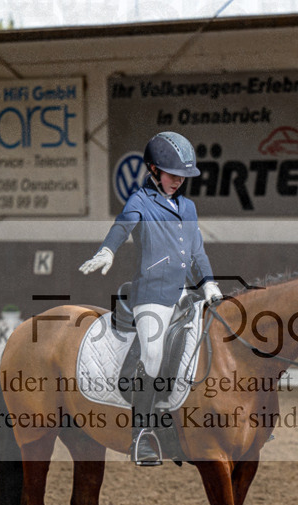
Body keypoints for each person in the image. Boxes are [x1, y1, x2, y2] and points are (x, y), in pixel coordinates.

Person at [79, 131, 222, 465]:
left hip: (186, 294)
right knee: (154, 356)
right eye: (172, 175)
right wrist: (107, 251)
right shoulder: (141, 201)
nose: (177, 182)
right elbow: (123, 225)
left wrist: (210, 283)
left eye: (182, 177)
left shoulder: (188, 207)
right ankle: (142, 432)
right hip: (152, 297)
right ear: (153, 170)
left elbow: (197, 251)